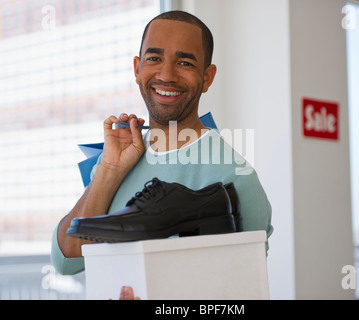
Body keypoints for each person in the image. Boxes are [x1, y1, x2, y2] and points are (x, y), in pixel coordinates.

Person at [51, 10, 273, 278]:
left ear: (207, 77)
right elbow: (67, 261)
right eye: (154, 58)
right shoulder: (118, 157)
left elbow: (240, 289)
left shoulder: (234, 177)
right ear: (137, 68)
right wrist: (109, 170)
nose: (166, 75)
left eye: (185, 63)